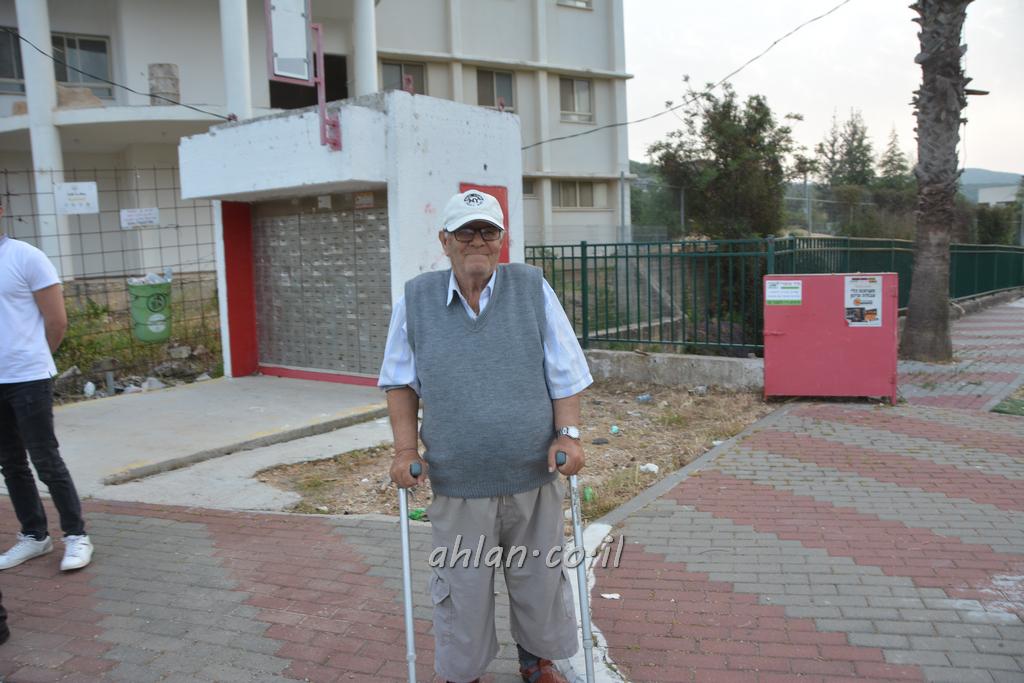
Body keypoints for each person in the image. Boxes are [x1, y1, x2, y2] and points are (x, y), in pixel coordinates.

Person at [380, 189, 592, 683]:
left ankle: (536, 662)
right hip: (459, 482)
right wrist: (405, 450)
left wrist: (569, 436)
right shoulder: (416, 299)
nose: (477, 240)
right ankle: (465, 672)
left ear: (502, 240)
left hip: (532, 474)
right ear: (445, 241)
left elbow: (564, 370)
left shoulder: (532, 288)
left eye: (488, 231)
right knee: (464, 588)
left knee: (539, 579)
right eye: (465, 232)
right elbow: (400, 382)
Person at [0, 198, 94, 572]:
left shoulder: (26, 257)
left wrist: (34, 359)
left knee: (46, 460)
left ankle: (76, 535)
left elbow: (57, 321)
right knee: (10, 463)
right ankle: (35, 536)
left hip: (28, 378)